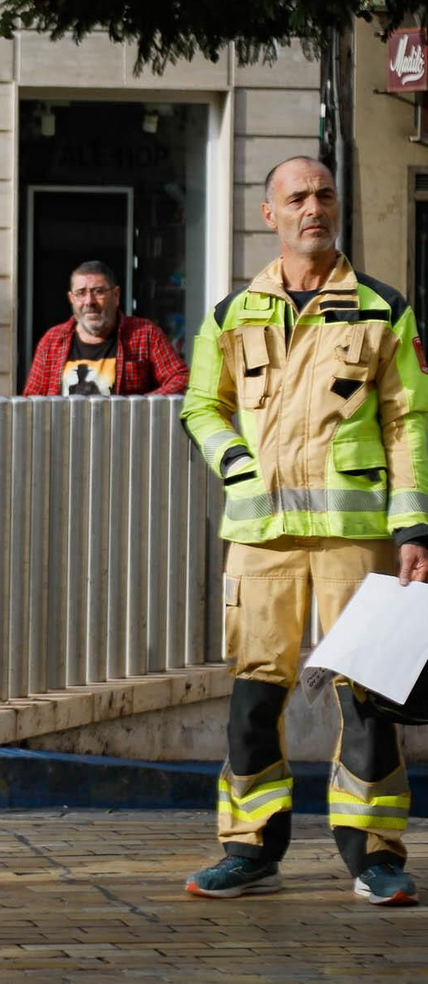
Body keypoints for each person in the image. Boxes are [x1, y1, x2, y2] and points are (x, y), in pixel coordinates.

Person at [181, 155, 428, 906]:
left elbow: (408, 421)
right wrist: (238, 466)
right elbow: (201, 405)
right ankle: (250, 849)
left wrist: (414, 528)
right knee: (255, 695)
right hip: (262, 534)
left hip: (356, 533)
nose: (312, 207)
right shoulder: (232, 313)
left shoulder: (383, 309)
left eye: (323, 195)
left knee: (368, 695)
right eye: (296, 198)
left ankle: (375, 855)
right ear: (270, 214)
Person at [23, 260, 189, 395]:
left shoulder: (145, 334)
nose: (89, 301)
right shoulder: (52, 341)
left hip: (125, 428)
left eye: (98, 292)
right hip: (65, 428)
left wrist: (140, 408)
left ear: (116, 295)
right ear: (71, 299)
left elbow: (181, 379)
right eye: (81, 293)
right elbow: (31, 401)